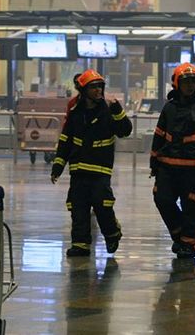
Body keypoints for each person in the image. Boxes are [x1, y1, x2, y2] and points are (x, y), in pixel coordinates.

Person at [51, 69, 133, 257]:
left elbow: (125, 131)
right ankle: (80, 244)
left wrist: (119, 113)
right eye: (93, 87)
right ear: (83, 90)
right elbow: (66, 140)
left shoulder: (108, 110)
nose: (98, 90)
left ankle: (112, 234)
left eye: (100, 87)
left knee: (102, 205)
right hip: (78, 169)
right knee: (77, 206)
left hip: (100, 169)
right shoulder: (75, 113)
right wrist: (58, 166)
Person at [150, 63, 195, 259]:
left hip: (193, 168)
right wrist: (154, 161)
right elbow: (159, 135)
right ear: (177, 84)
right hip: (167, 166)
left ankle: (189, 243)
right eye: (186, 82)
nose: (189, 86)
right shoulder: (169, 108)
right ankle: (179, 234)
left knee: (190, 206)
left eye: (193, 82)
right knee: (162, 199)